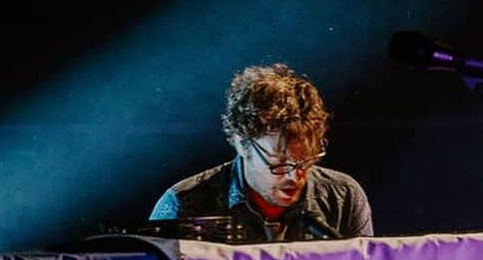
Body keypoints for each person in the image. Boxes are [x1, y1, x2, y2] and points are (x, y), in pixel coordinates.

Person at [149, 64, 373, 243]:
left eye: (306, 160)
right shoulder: (182, 204)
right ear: (241, 143)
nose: (296, 177)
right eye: (280, 163)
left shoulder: (344, 197)